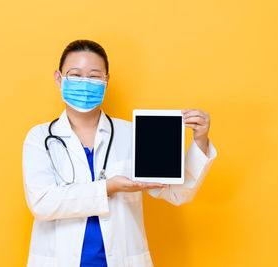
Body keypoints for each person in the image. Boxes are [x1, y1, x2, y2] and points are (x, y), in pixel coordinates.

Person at [22, 40, 217, 267]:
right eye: (75, 75)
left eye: (94, 76)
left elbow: (177, 193)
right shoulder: (40, 138)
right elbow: (42, 203)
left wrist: (200, 140)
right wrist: (108, 187)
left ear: (106, 80)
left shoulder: (134, 134)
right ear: (59, 78)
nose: (85, 83)